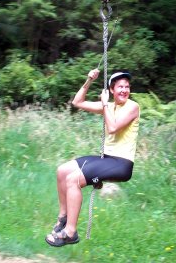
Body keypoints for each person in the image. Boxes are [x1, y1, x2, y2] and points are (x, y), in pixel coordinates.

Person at [45, 69, 140, 247]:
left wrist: (104, 104)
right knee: (62, 171)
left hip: (121, 164)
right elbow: (77, 101)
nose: (124, 90)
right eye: (120, 87)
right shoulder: (109, 106)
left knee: (73, 180)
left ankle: (70, 232)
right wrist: (89, 80)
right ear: (112, 90)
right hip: (107, 159)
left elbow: (113, 128)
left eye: (127, 87)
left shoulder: (132, 107)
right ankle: (63, 219)